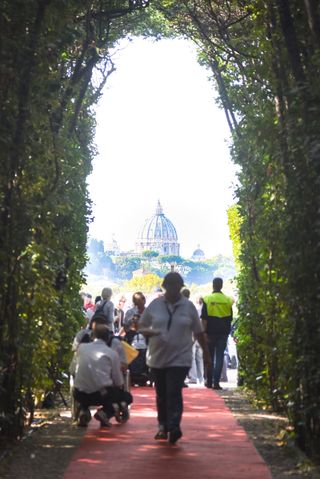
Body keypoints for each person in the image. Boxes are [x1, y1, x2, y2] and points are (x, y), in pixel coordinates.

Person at [139, 272, 210, 444]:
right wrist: (153, 332)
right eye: (170, 287)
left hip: (181, 357)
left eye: (176, 287)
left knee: (174, 391)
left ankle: (174, 426)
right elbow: (141, 326)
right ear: (165, 287)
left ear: (181, 287)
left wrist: (207, 354)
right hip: (158, 357)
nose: (173, 290)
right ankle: (163, 425)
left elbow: (198, 331)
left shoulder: (189, 307)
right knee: (162, 393)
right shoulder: (155, 306)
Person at [70, 324, 132, 427]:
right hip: (100, 395)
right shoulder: (111, 353)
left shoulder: (81, 348)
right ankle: (106, 413)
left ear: (92, 336)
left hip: (78, 393)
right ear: (108, 337)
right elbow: (118, 382)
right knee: (126, 397)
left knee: (88, 389)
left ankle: (83, 410)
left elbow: (72, 369)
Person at [201, 277, 234, 390]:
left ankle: (209, 382)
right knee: (220, 357)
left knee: (209, 356)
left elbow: (204, 318)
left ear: (213, 285)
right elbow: (230, 318)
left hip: (210, 332)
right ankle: (216, 383)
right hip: (223, 333)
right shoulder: (228, 300)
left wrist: (204, 332)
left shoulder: (207, 299)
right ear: (221, 285)